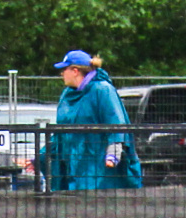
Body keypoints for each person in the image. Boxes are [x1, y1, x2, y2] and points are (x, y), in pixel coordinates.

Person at [42, 51, 139, 189]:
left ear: (75, 71)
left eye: (64, 69)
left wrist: (113, 153)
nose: (62, 73)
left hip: (98, 167)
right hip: (73, 165)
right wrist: (41, 156)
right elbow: (60, 133)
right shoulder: (67, 95)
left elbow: (116, 123)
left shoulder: (102, 90)